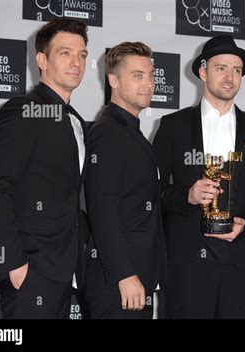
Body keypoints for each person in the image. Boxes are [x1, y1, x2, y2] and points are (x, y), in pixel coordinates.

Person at [153, 34, 245, 319]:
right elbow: (152, 190)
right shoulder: (173, 126)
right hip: (187, 266)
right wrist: (186, 195)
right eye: (221, 68)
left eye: (237, 71)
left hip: (242, 266)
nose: (230, 77)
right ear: (202, 71)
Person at [0, 18, 89, 319]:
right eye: (65, 53)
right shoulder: (23, 110)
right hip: (30, 270)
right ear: (42, 60)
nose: (76, 62)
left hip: (64, 270)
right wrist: (14, 265)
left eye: (81, 54)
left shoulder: (76, 121)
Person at [84, 42, 166, 319]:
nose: (148, 83)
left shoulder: (132, 133)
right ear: (114, 80)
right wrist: (124, 275)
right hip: (118, 282)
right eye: (137, 75)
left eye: (151, 75)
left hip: (137, 276)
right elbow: (102, 210)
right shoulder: (108, 133)